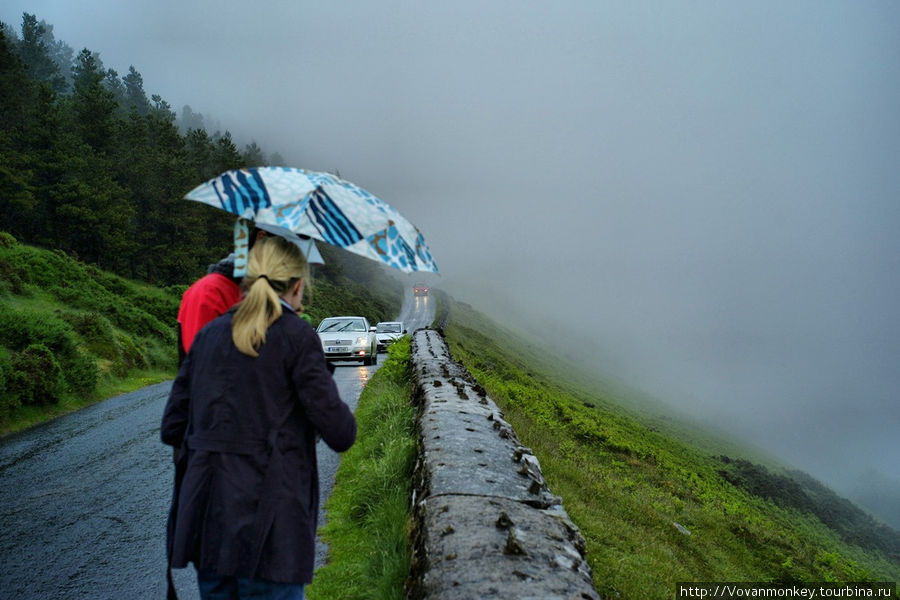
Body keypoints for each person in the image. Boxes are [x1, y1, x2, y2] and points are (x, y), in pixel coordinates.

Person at [161, 236, 356, 600]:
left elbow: (173, 425)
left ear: (247, 279)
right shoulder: (298, 338)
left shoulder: (208, 335)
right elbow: (341, 432)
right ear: (298, 284)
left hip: (210, 526)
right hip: (273, 530)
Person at [177, 225, 322, 365]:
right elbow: (206, 373)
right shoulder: (210, 292)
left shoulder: (280, 301)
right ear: (261, 238)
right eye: (288, 255)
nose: (291, 268)